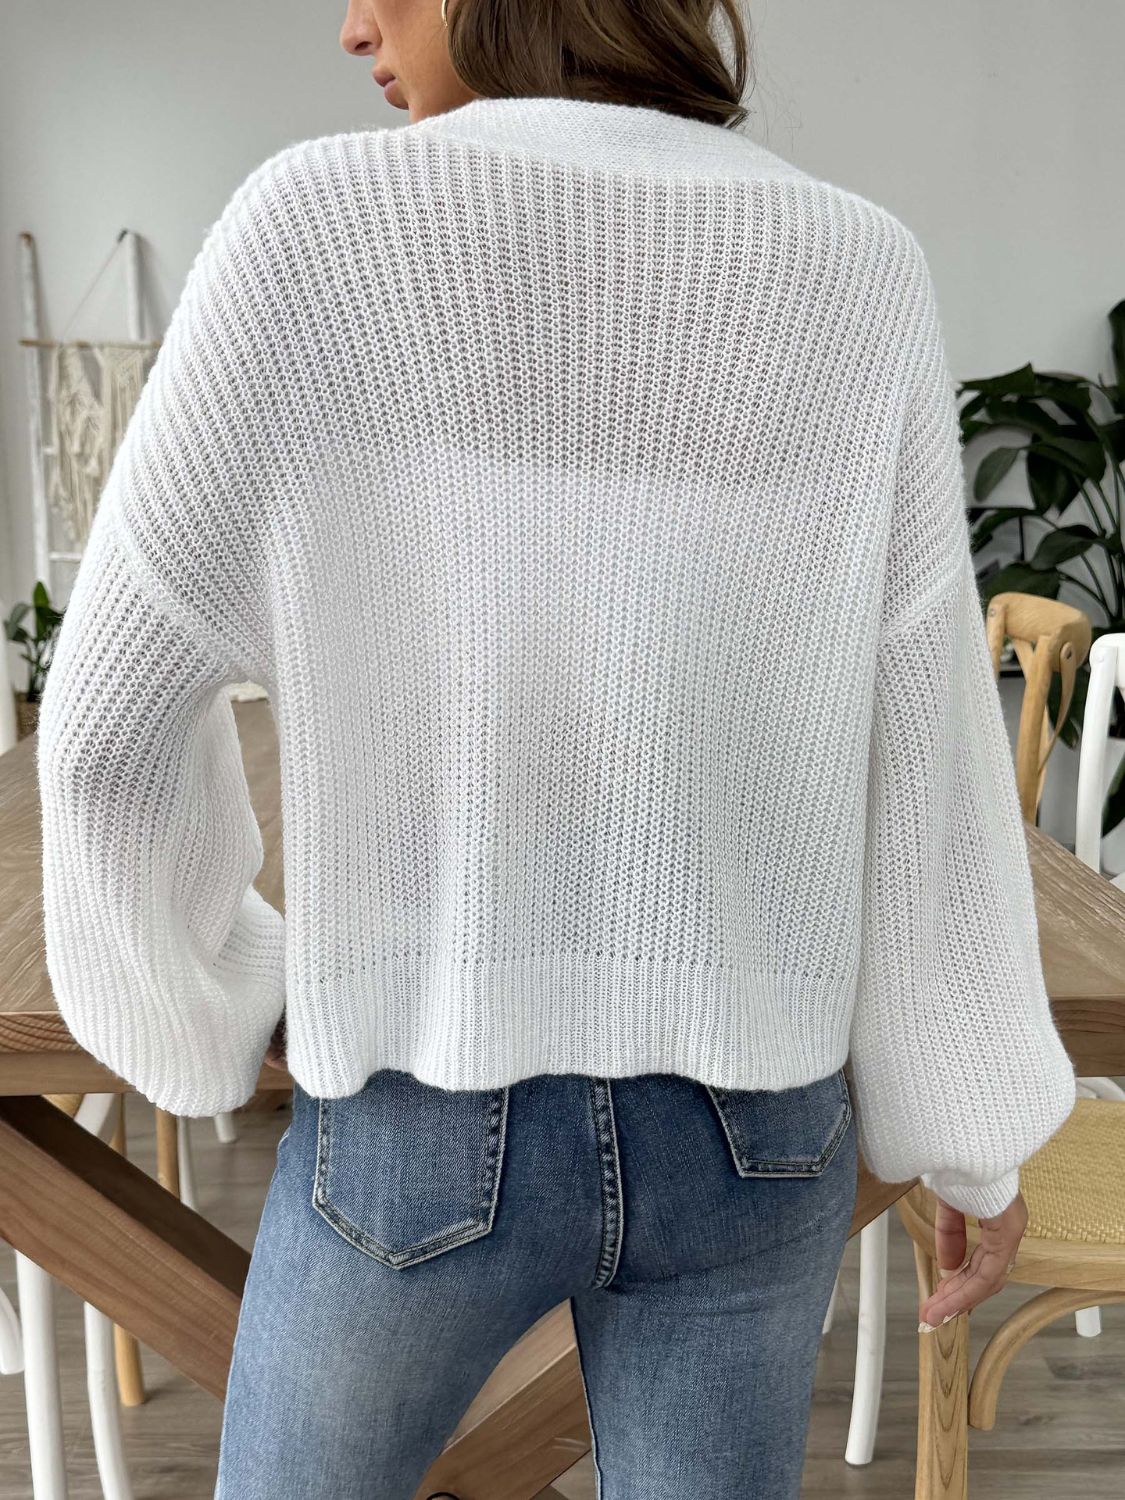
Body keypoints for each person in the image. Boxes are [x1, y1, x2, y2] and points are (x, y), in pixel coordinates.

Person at [35, 1, 1078, 1496]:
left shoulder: (310, 231)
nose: (352, 26)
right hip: (755, 1134)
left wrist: (223, 992)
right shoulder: (855, 265)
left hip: (418, 1116)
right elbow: (927, 751)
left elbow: (104, 726)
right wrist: (971, 1142)